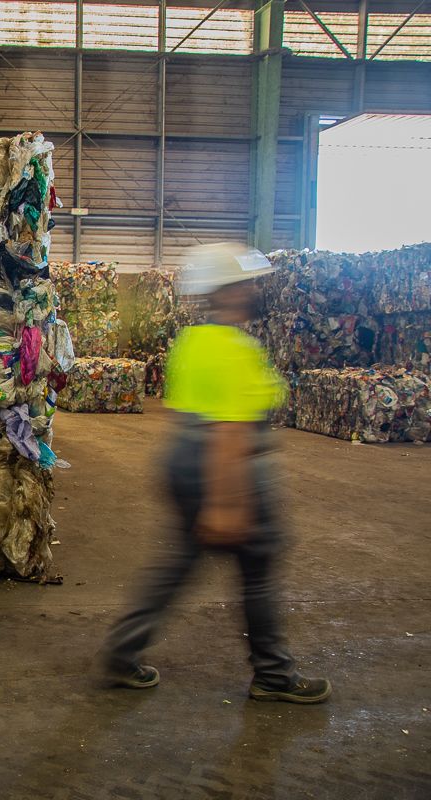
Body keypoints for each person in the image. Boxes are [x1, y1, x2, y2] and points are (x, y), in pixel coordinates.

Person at [101, 243, 331, 704]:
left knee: (180, 563)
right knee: (258, 569)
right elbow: (230, 431)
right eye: (242, 284)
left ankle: (122, 654)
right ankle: (273, 673)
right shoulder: (235, 348)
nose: (251, 290)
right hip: (226, 464)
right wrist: (227, 502)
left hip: (183, 458)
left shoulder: (193, 340)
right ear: (222, 293)